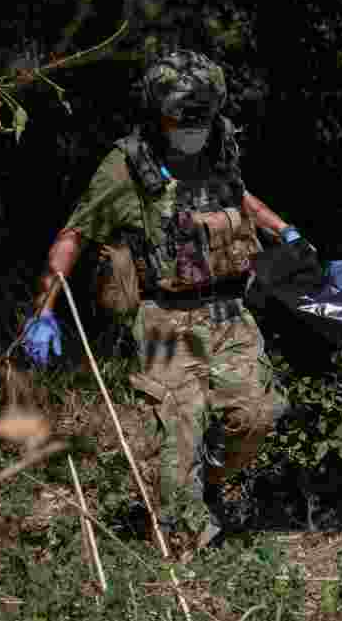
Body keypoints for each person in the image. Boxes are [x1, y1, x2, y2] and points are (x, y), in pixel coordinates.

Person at [19, 50, 308, 548]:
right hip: (165, 322)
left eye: (203, 111)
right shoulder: (128, 165)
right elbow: (75, 233)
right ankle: (184, 541)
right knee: (177, 434)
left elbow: (238, 195)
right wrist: (43, 311)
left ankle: (206, 487)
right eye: (183, 113)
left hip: (228, 311)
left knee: (261, 413)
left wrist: (285, 231)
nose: (194, 122)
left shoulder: (220, 143)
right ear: (158, 109)